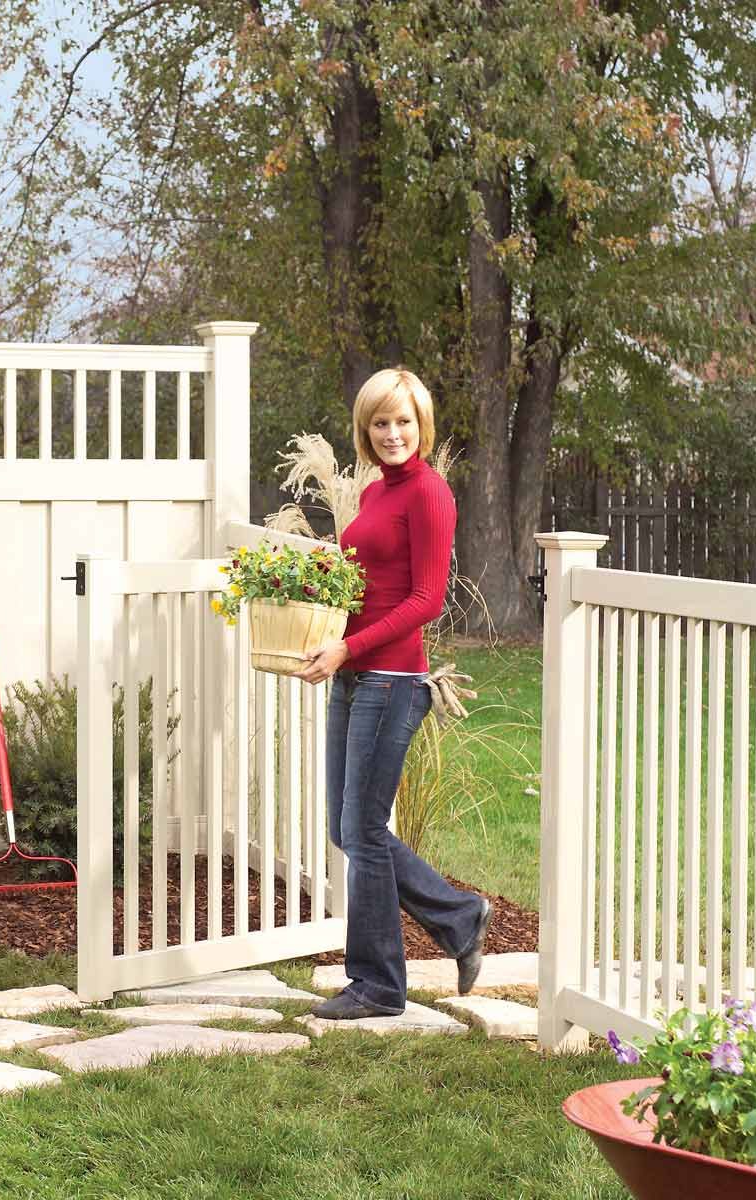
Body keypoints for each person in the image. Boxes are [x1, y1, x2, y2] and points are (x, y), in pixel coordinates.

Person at [294, 367, 492, 1019]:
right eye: (380, 422)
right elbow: (369, 577)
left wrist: (349, 646)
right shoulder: (378, 491)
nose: (392, 433)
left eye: (403, 420)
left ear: (422, 425)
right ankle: (460, 916)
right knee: (347, 828)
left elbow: (426, 601)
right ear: (365, 428)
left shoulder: (430, 494)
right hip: (352, 675)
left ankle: (378, 984)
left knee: (362, 829)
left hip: (392, 679)